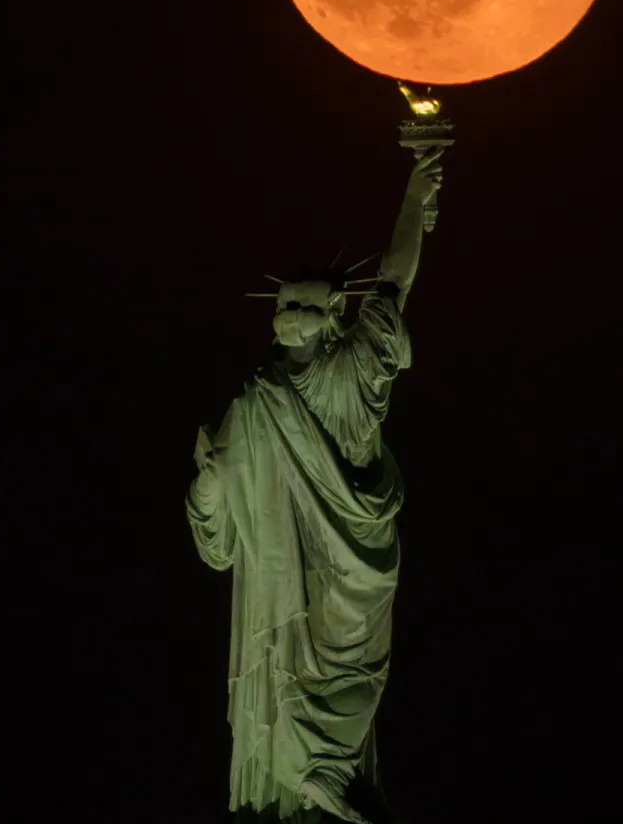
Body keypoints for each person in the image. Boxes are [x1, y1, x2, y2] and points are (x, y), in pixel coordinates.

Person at [187, 148, 443, 823]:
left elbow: (392, 285)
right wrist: (209, 483)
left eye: (303, 303)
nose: (291, 312)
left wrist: (414, 200)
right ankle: (310, 777)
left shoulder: (348, 372)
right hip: (288, 585)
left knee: (348, 678)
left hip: (352, 572)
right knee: (302, 673)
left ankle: (326, 770)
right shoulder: (255, 404)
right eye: (284, 303)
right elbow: (216, 539)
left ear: (334, 311)